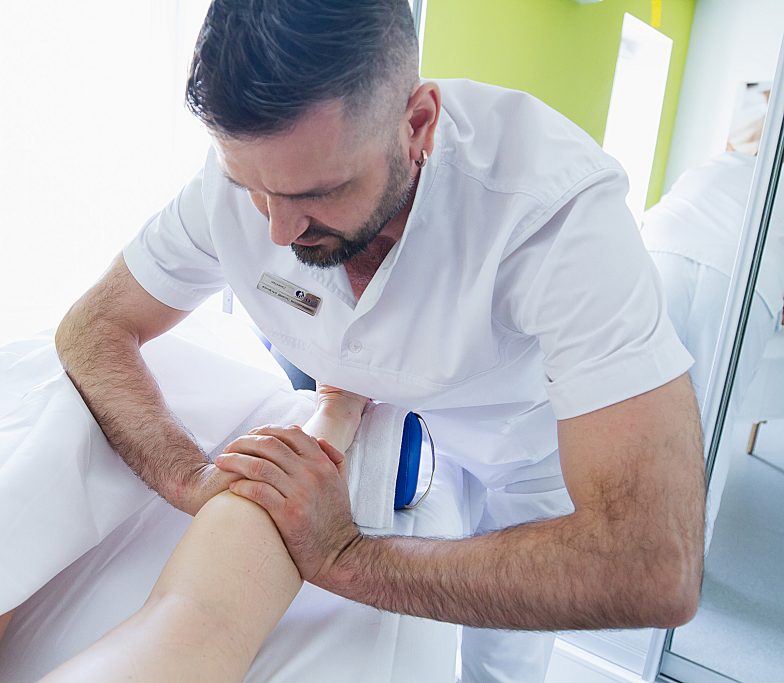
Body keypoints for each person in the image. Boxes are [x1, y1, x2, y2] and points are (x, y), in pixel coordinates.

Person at [55, 1, 706, 681]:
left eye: (318, 192)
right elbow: (92, 327)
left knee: (505, 664)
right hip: (373, 413)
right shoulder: (241, 187)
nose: (277, 232)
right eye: (252, 188)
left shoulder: (556, 214)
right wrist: (191, 477)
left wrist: (345, 556)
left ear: (418, 122)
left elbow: (656, 564)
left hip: (525, 449)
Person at [642, 147, 784, 549]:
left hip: (658, 250)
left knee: (636, 399)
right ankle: (683, 559)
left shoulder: (724, 161)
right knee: (709, 421)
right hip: (738, 273)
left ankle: (614, 537)